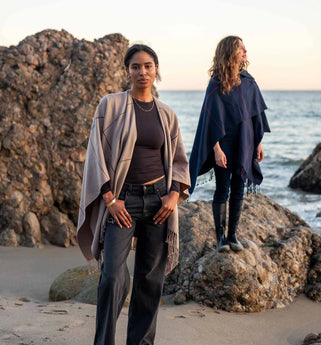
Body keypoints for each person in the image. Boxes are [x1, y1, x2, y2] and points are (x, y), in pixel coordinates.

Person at [77, 44, 190, 345]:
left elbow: (179, 161)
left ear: (156, 70)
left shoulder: (166, 114)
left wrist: (173, 196)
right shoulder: (110, 105)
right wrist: (109, 198)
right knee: (112, 276)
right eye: (136, 66)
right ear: (126, 70)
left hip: (159, 202)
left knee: (150, 280)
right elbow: (96, 154)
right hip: (122, 201)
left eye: (148, 66)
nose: (143, 72)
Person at [189, 35, 270, 253]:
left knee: (238, 189)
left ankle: (233, 235)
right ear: (229, 52)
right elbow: (210, 119)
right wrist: (215, 149)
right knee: (222, 189)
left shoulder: (249, 81)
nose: (245, 52)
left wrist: (259, 144)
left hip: (245, 142)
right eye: (241, 49)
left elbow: (255, 115)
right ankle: (220, 238)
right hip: (223, 144)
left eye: (245, 49)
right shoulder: (216, 83)